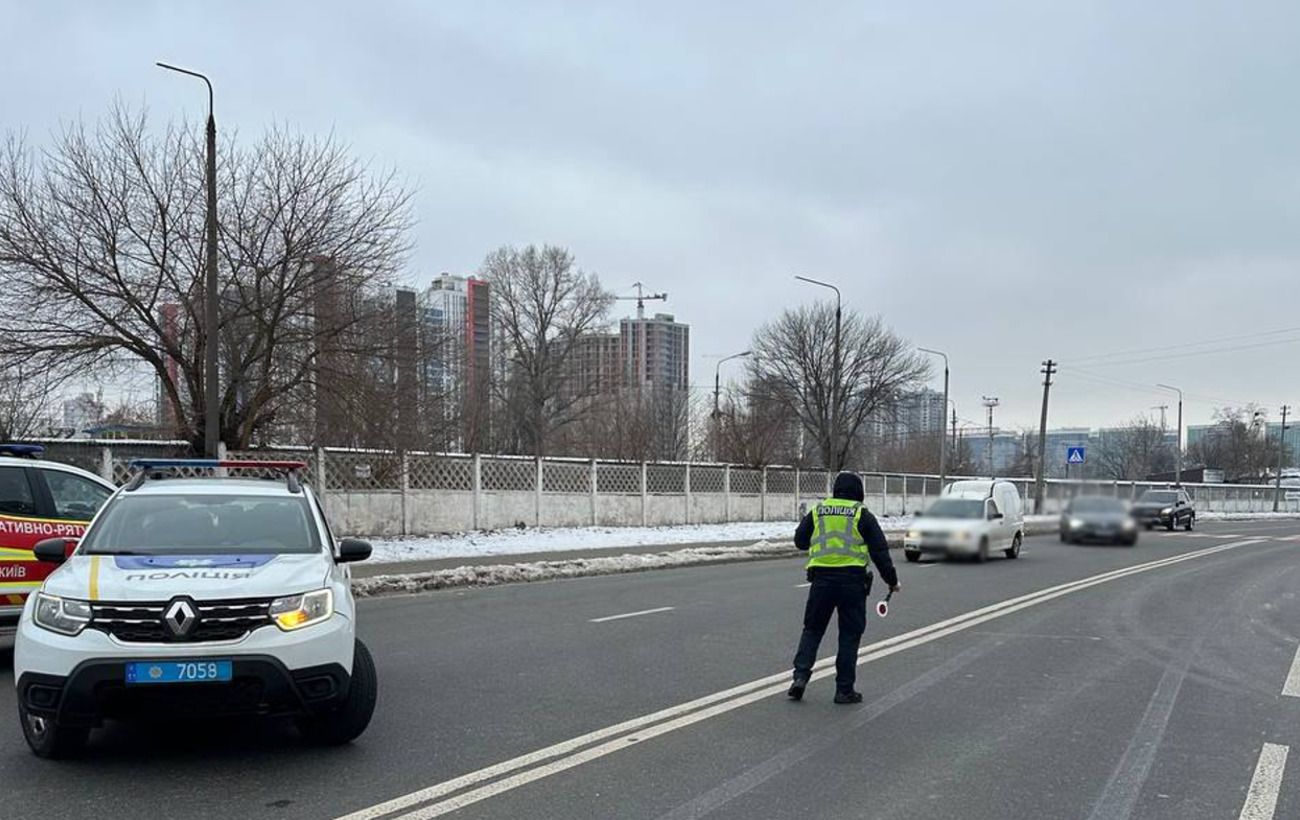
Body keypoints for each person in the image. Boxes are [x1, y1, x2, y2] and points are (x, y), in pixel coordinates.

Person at [788, 471, 898, 704]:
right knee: (849, 636)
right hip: (852, 583)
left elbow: (800, 540)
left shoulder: (819, 511)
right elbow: (880, 552)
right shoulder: (862, 514)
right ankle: (844, 690)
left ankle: (800, 678)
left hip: (821, 582)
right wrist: (892, 580)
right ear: (859, 492)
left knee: (812, 630)